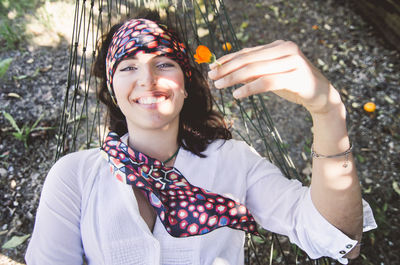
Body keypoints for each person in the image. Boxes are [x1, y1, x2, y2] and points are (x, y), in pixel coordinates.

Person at [25, 10, 376, 265]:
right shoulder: (74, 176)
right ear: (112, 90)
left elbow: (339, 239)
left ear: (186, 84)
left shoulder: (233, 161)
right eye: (128, 66)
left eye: (164, 63)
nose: (147, 78)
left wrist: (328, 113)